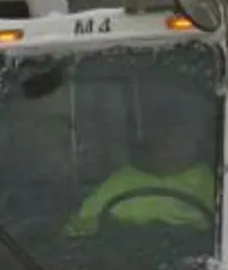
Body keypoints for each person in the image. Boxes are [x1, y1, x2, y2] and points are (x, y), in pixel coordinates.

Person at [64, 101, 218, 237]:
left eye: (185, 137)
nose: (173, 143)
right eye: (166, 135)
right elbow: (79, 229)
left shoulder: (214, 184)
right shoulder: (119, 182)